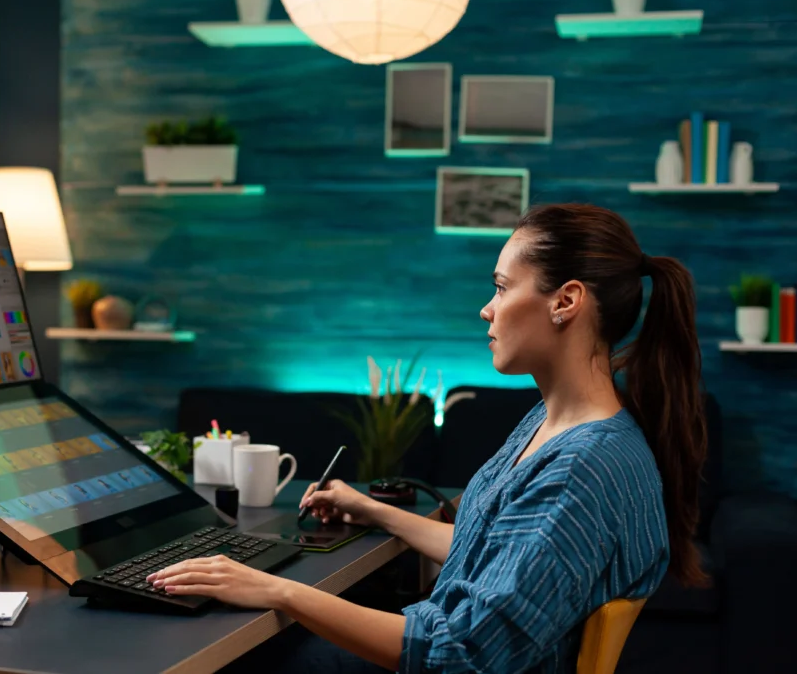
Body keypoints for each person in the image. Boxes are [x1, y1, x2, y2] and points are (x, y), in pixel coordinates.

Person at [148, 204, 708, 674]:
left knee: (240, 650)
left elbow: (460, 651)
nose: (486, 308)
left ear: (566, 301)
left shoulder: (582, 468)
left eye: (502, 286)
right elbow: (492, 552)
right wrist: (375, 510)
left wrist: (278, 591)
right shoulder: (559, 424)